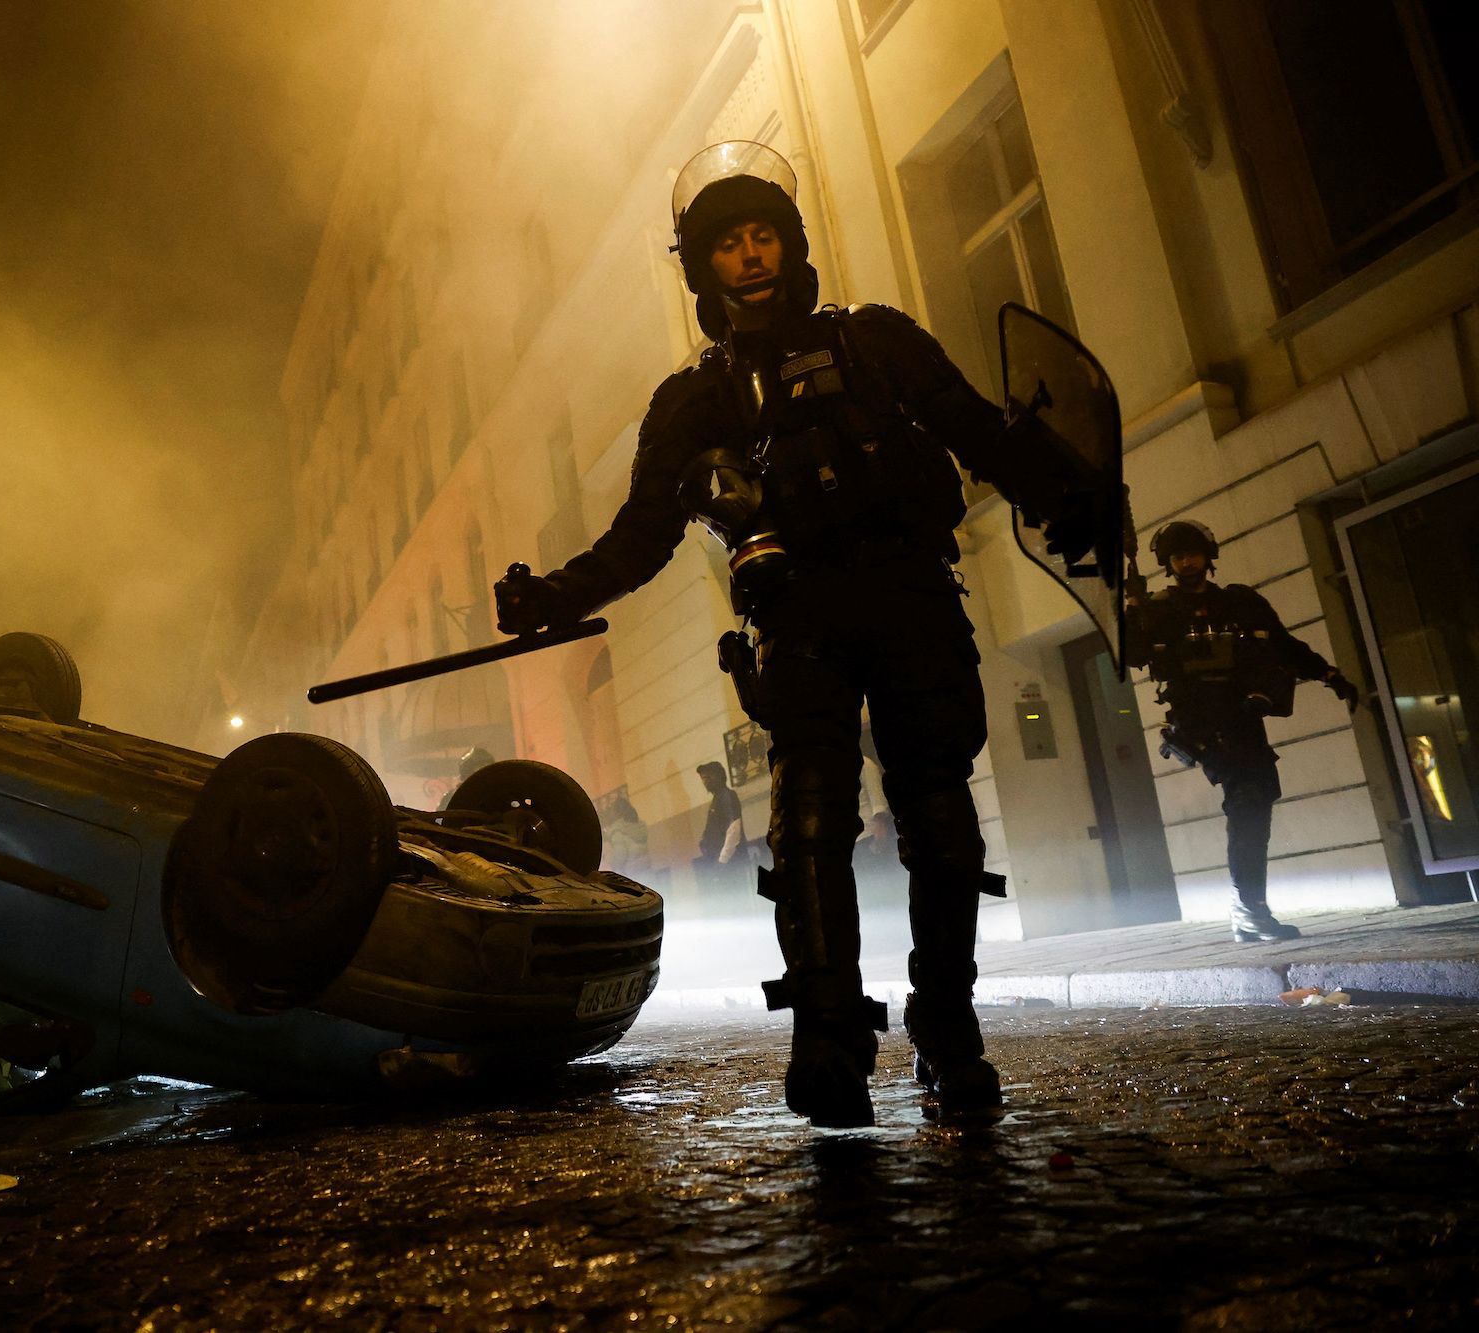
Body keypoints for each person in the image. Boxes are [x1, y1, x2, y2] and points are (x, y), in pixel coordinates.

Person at [493, 141, 1097, 1126]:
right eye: (726, 243)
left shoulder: (876, 342)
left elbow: (973, 427)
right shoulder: (689, 399)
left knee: (939, 825)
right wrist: (554, 596)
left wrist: (1057, 490)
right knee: (809, 828)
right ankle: (828, 1045)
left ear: (789, 243)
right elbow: (639, 536)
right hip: (797, 615)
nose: (749, 255)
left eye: (761, 233)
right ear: (702, 267)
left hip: (908, 596)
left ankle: (947, 1036)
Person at [1125, 520, 1359, 941]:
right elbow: (1130, 657)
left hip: (1243, 713)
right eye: (1178, 556)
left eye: (1193, 553)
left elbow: (1282, 645)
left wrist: (1327, 673)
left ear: (1208, 555)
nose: (1187, 562)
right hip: (1202, 720)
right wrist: (1131, 613)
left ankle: (1246, 907)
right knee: (1249, 799)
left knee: (1260, 796)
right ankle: (1248, 907)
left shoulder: (1240, 602)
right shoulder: (1156, 610)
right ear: (1168, 563)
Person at [692, 761, 748, 891]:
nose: (705, 782)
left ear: (718, 776)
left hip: (730, 866)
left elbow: (734, 830)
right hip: (722, 864)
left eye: (707, 777)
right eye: (703, 779)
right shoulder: (718, 798)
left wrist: (722, 860)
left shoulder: (727, 796)